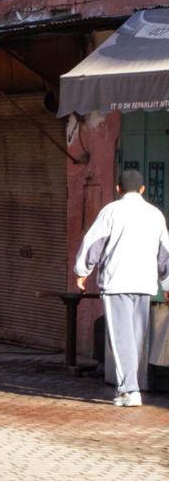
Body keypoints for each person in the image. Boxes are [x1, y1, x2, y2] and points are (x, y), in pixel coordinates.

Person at [74, 169, 169, 407]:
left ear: (118, 189)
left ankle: (130, 389)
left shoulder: (111, 211)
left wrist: (82, 272)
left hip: (117, 282)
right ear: (142, 189)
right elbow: (164, 253)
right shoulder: (155, 214)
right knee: (136, 337)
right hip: (145, 284)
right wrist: (167, 284)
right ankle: (129, 386)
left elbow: (93, 243)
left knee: (120, 336)